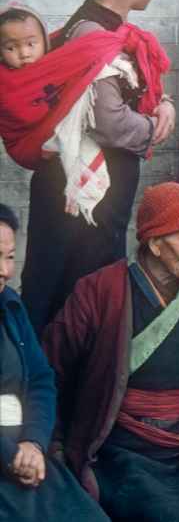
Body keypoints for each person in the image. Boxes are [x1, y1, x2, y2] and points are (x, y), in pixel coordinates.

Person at [41, 183, 179, 521]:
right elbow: (50, 366)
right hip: (122, 443)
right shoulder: (99, 290)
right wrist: (52, 439)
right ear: (155, 243)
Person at [18, 0, 174, 333]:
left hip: (87, 184)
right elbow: (108, 121)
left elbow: (129, 91)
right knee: (74, 294)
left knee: (69, 288)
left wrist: (165, 104)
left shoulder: (103, 28)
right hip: (84, 191)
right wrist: (153, 128)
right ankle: (56, 391)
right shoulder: (94, 35)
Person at [0, 203, 108, 521]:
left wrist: (33, 442)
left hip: (25, 452)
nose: (5, 270)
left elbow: (40, 379)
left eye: (8, 257)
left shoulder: (10, 305)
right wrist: (13, 456)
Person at [0, 3, 47, 69]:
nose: (24, 54)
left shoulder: (56, 64)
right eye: (11, 48)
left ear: (45, 42)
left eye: (30, 44)